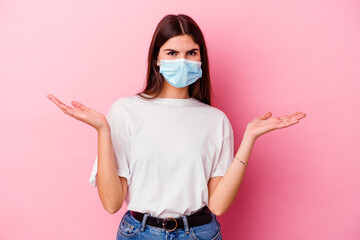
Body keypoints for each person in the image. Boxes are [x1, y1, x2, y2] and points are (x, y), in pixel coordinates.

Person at [47, 13, 306, 240]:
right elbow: (112, 203)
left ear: (201, 59)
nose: (182, 61)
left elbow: (218, 205)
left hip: (200, 233)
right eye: (172, 53)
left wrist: (249, 137)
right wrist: (103, 131)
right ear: (157, 59)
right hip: (140, 233)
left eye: (191, 53)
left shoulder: (216, 120)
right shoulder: (126, 111)